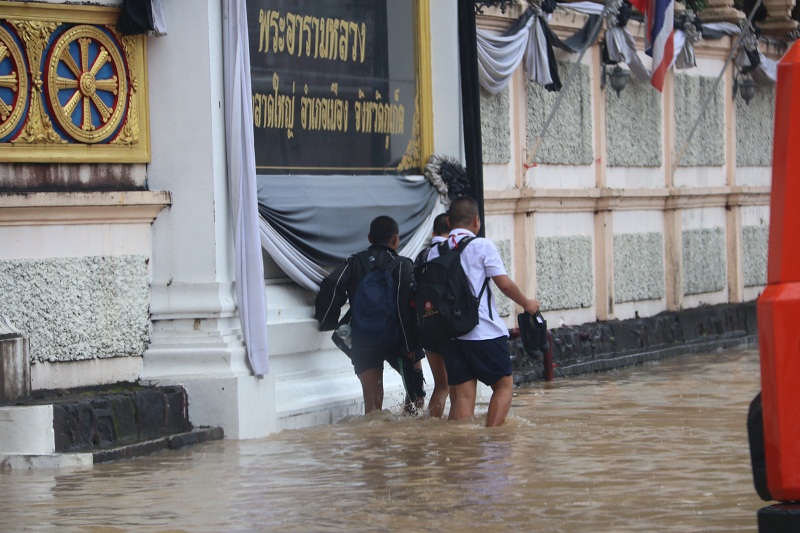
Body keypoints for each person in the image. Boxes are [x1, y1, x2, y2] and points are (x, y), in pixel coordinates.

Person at [427, 196, 539, 427]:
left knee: (464, 395)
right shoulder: (482, 246)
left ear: (448, 221)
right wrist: (527, 303)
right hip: (483, 332)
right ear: (476, 221)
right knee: (503, 386)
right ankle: (494, 441)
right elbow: (504, 284)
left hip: (451, 335)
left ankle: (462, 451)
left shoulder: (435, 252)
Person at [315, 216, 422, 414]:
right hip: (398, 339)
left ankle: (372, 441)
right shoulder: (402, 265)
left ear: (370, 237)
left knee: (372, 407)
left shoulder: (353, 262)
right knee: (416, 395)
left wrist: (328, 322)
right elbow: (405, 307)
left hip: (363, 339)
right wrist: (410, 345)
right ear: (396, 240)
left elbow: (332, 284)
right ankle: (411, 438)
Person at [413, 212, 452, 418]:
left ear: (434, 232)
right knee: (459, 386)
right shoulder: (455, 251)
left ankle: (430, 428)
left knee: (441, 386)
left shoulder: (422, 256)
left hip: (427, 326)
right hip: (453, 328)